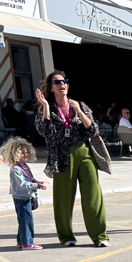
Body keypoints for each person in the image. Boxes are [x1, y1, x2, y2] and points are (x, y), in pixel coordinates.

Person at [34, 70, 110, 247]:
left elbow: (93, 130)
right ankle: (66, 236)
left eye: (64, 81)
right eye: (57, 82)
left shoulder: (80, 105)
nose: (62, 85)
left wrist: (79, 112)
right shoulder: (47, 108)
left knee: (93, 195)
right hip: (61, 155)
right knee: (63, 198)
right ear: (51, 87)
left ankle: (100, 236)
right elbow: (46, 132)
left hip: (84, 152)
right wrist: (45, 106)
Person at [0, 136, 46, 250]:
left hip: (25, 196)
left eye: (27, 152)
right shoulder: (16, 169)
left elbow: (29, 179)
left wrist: (36, 182)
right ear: (15, 154)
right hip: (22, 197)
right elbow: (23, 184)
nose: (26, 155)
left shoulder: (24, 166)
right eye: (22, 153)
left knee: (23, 220)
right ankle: (27, 243)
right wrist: (36, 185)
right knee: (26, 221)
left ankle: (21, 240)